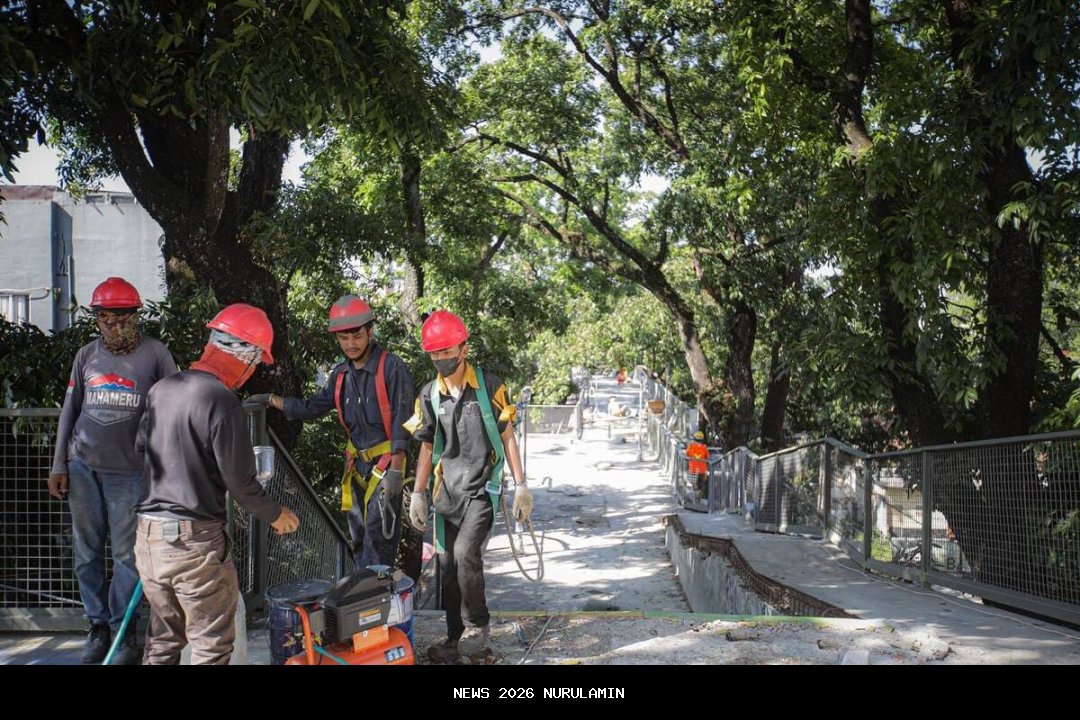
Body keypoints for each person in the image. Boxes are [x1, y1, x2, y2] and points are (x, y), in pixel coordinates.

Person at [133, 303, 300, 665]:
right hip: (194, 543)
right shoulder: (221, 400)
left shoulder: (162, 389)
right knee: (211, 644)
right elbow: (240, 482)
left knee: (163, 641)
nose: (252, 371)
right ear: (245, 356)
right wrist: (276, 514)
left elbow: (141, 450)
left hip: (149, 538)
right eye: (255, 362)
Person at [48, 277, 178, 665]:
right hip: (83, 467)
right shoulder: (86, 355)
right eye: (107, 319)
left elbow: (175, 405)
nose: (116, 327)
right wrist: (59, 463)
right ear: (97, 320)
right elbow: (70, 410)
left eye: (123, 319)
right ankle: (98, 627)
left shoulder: (156, 354)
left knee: (126, 555)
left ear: (137, 316)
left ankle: (124, 631)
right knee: (86, 552)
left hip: (131, 472)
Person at [405, 310, 533, 663]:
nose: (441, 358)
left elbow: (507, 437)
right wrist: (418, 493)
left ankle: (477, 625)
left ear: (464, 348)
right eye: (434, 353)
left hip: (481, 490)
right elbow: (426, 447)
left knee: (465, 553)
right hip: (446, 493)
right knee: (446, 567)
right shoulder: (429, 395)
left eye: (447, 351)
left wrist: (521, 486)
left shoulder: (489, 387)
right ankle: (454, 638)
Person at [255, 295, 414, 569]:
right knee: (359, 540)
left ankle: (380, 591)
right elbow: (312, 407)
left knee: (379, 542)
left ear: (370, 332)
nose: (351, 344)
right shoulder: (341, 376)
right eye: (344, 338)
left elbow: (404, 420)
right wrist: (271, 400)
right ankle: (365, 590)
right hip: (357, 466)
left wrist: (397, 472)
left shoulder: (391, 367)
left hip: (387, 466)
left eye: (357, 336)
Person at [686, 431, 710, 499]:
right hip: (702, 470)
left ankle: (696, 496)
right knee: (701, 484)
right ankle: (699, 494)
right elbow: (708, 457)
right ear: (702, 439)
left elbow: (687, 454)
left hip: (693, 469)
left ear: (694, 438)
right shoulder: (704, 447)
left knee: (694, 484)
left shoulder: (691, 446)